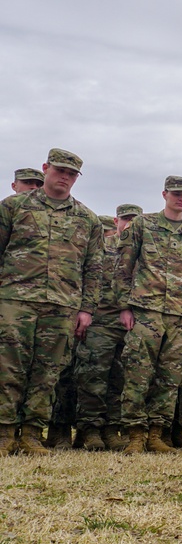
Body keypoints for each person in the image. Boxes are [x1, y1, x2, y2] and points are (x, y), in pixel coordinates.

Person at [0, 149, 103, 456]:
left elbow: (93, 268)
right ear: (45, 168)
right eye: (60, 170)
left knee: (47, 373)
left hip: (63, 305)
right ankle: (4, 432)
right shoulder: (14, 207)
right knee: (8, 368)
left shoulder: (88, 219)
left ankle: (32, 434)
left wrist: (87, 309)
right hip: (15, 300)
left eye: (71, 174)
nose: (65, 177)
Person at [115, 176, 182, 454]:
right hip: (146, 311)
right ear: (164, 194)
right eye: (177, 194)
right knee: (137, 372)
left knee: (170, 377)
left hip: (180, 315)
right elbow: (123, 267)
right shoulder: (143, 225)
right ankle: (134, 434)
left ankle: (157, 433)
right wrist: (124, 307)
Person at [73, 203, 143, 451]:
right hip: (100, 321)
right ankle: (90, 430)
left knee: (120, 379)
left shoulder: (142, 250)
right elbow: (86, 278)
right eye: (126, 219)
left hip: (129, 324)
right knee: (92, 376)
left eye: (135, 220)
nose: (130, 224)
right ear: (116, 221)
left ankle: (112, 429)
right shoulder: (102, 246)